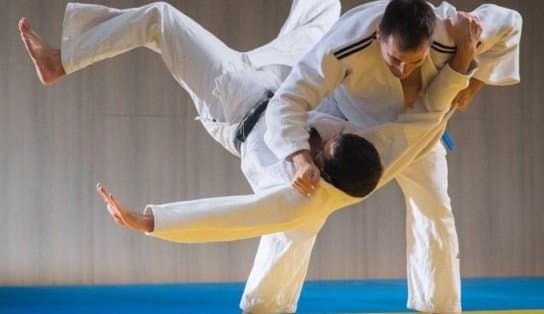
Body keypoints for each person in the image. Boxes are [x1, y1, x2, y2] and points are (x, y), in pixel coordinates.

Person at [19, 0, 478, 312]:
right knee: (325, 8)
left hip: (235, 99)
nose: (317, 140)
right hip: (286, 70)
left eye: (318, 150)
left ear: (322, 173)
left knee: (161, 18)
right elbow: (428, 118)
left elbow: (233, 216)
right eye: (328, 137)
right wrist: (463, 63)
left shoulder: (306, 197)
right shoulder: (374, 146)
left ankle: (63, 60)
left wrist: (149, 221)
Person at [264, 0, 522, 312]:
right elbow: (287, 99)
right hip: (350, 128)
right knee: (303, 207)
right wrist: (300, 157)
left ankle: (438, 305)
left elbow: (511, 21)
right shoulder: (344, 43)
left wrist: (473, 82)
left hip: (419, 132)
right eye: (395, 58)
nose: (403, 69)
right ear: (377, 36)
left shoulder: (454, 29)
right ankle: (267, 305)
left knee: (435, 211)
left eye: (415, 61)